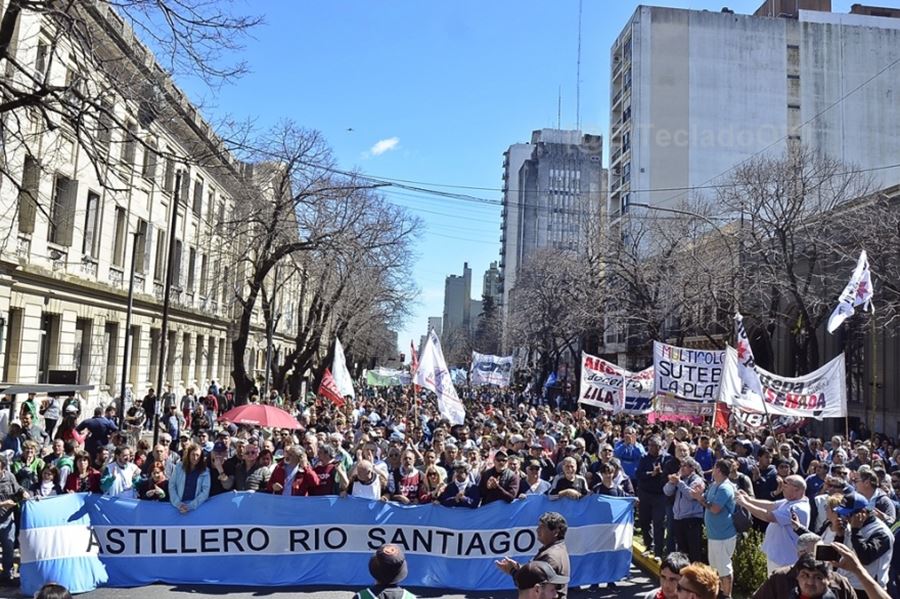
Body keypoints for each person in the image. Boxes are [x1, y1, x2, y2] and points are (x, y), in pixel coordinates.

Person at [737, 474, 811, 574]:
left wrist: (745, 504)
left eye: (786, 484)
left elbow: (768, 516)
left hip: (785, 559)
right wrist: (748, 499)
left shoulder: (797, 508)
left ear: (797, 489)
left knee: (779, 587)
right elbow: (771, 505)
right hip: (778, 556)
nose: (782, 487)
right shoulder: (789, 501)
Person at [752, 533, 856, 599]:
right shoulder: (780, 578)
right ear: (801, 553)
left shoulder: (839, 582)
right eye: (817, 551)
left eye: (823, 550)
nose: (810, 581)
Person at [496, 512, 570, 599]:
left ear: (556, 532)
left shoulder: (550, 556)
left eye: (542, 527)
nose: (537, 530)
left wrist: (512, 571)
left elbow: (532, 585)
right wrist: (519, 567)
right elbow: (538, 573)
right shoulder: (558, 549)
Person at [833, 492, 893, 597]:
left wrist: (856, 531)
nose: (845, 518)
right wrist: (840, 535)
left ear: (863, 513)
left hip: (868, 590)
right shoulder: (850, 525)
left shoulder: (881, 532)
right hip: (846, 584)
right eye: (842, 514)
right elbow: (840, 553)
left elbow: (865, 558)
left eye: (848, 515)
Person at [692, 458, 737, 598]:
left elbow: (715, 508)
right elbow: (707, 499)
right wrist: (700, 495)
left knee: (724, 569)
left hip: (723, 535)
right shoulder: (715, 485)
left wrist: (700, 499)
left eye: (714, 468)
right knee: (716, 568)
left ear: (718, 470)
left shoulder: (725, 488)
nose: (712, 470)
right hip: (714, 535)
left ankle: (727, 596)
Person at [664, 457, 705, 563]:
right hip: (679, 519)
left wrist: (679, 483)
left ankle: (694, 575)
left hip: (692, 520)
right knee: (682, 552)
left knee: (693, 551)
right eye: (681, 466)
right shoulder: (681, 479)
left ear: (692, 468)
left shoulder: (696, 480)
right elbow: (666, 491)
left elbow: (691, 496)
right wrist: (672, 482)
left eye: (684, 466)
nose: (681, 469)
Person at [0, 451, 28, 585]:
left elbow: (17, 488)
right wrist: (3, 504)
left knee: (9, 548)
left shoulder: (9, 476)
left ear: (3, 467)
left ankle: (7, 575)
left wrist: (23, 492)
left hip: (7, 520)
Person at [169, 443, 210, 513]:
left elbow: (205, 492)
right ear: (188, 455)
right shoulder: (179, 467)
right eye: (193, 455)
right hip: (178, 506)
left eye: (198, 455)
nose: (195, 458)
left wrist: (191, 506)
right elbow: (172, 485)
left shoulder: (205, 471)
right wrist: (178, 504)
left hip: (196, 508)